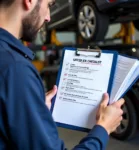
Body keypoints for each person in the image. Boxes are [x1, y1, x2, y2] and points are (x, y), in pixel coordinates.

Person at [0, 0, 125, 149]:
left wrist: (31, 106)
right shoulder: (16, 69)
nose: (48, 17)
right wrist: (103, 129)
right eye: (49, 6)